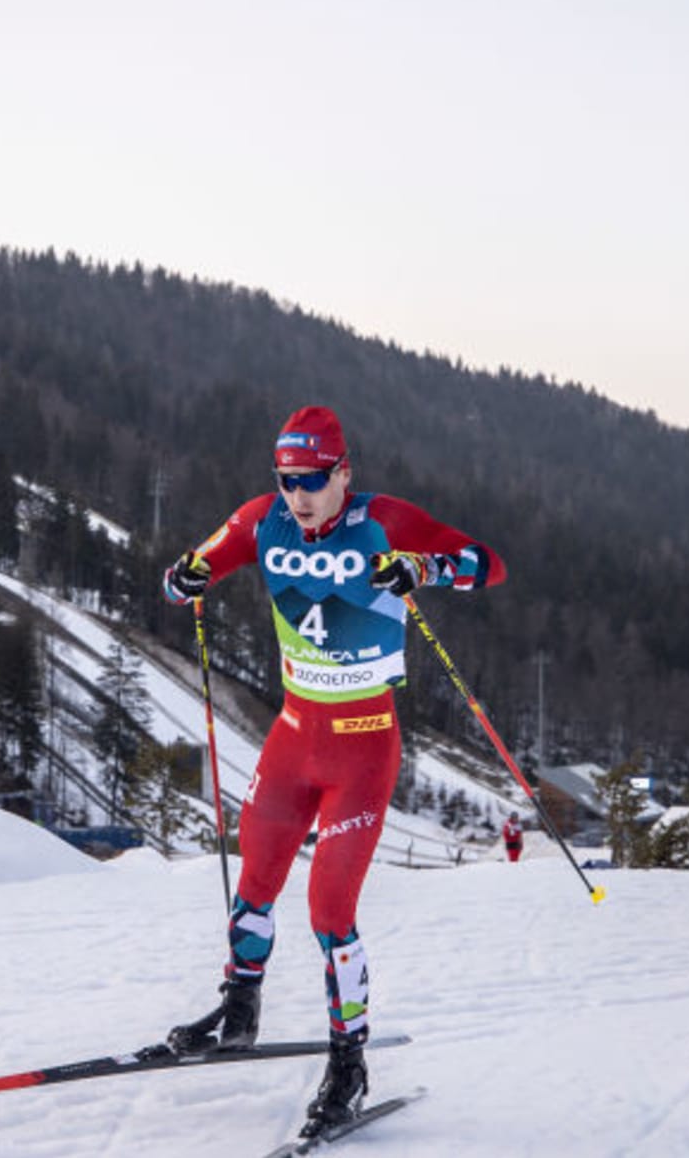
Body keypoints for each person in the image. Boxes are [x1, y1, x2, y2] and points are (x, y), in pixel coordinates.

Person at [158, 405, 504, 1140]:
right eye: (288, 480)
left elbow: (487, 564)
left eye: (314, 479)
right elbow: (186, 573)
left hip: (362, 745)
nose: (300, 495)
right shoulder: (262, 521)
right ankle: (240, 1007)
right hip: (291, 737)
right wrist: (184, 579)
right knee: (255, 878)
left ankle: (349, 1063)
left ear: (344, 471)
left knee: (328, 911)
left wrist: (424, 567)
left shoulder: (385, 521)